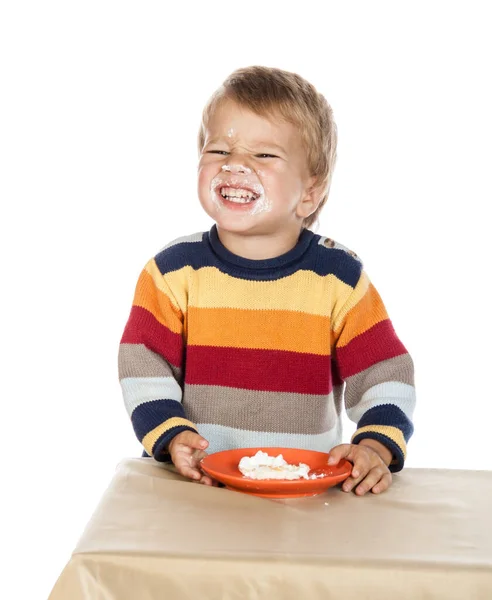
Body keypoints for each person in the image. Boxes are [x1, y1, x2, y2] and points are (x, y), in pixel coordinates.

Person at [118, 66, 415, 496]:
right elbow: (143, 363)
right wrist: (170, 435)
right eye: (219, 150)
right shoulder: (171, 272)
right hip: (195, 491)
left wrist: (375, 444)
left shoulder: (339, 278)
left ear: (310, 192)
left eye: (265, 155)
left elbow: (385, 371)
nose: (236, 164)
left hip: (302, 495)